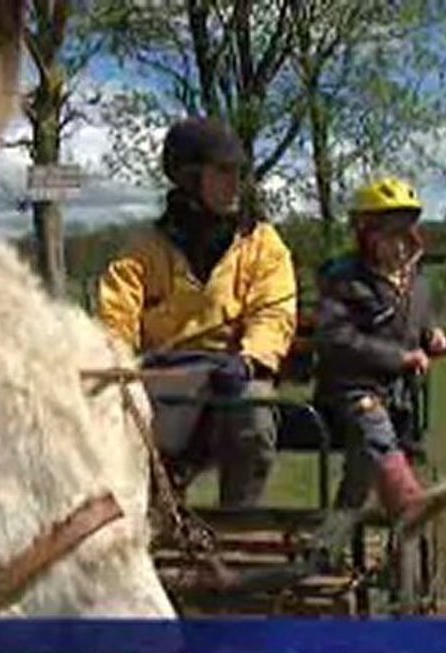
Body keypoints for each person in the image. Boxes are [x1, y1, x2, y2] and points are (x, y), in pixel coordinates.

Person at [97, 116, 297, 508]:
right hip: (159, 376)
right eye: (223, 172)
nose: (236, 182)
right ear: (189, 178)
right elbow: (115, 317)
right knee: (113, 414)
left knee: (254, 412)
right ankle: (147, 519)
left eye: (240, 172)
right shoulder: (144, 248)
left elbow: (273, 311)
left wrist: (251, 359)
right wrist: (118, 361)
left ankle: (238, 521)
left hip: (231, 376)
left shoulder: (262, 243)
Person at [313, 177, 446, 537]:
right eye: (389, 235)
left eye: (405, 233)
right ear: (366, 234)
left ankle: (327, 545)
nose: (399, 245)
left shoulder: (416, 282)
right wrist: (400, 358)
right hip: (348, 391)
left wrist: (436, 338)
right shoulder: (345, 281)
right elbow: (336, 338)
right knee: (372, 425)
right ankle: (407, 500)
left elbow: (420, 329)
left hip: (398, 395)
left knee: (360, 474)